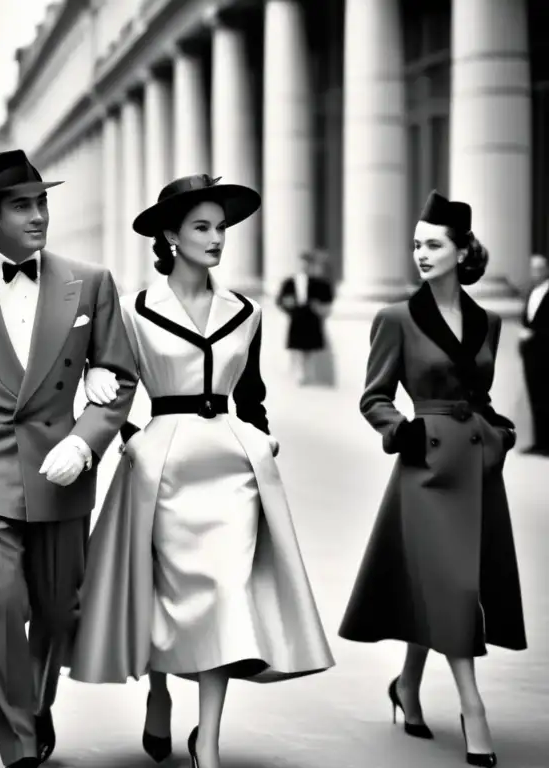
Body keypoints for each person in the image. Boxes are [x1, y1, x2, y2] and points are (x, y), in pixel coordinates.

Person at [69, 174, 334, 768]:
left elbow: (255, 394)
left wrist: (262, 440)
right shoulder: (133, 310)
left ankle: (207, 744)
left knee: (224, 594)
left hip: (234, 470)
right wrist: (131, 441)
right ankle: (159, 692)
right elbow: (111, 391)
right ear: (170, 235)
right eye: (202, 227)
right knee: (161, 592)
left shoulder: (247, 311)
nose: (218, 238)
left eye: (222, 228)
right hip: (159, 469)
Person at [0, 149, 138, 768]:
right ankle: (17, 741)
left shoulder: (90, 282)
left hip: (63, 467)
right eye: (22, 206)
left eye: (42, 202)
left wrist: (85, 439)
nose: (39, 215)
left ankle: (36, 705)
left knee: (57, 608)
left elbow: (119, 377)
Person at [339, 190, 526, 768]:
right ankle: (475, 709)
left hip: (475, 472)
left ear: (462, 249)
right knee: (452, 590)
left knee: (447, 588)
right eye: (416, 244)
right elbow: (374, 399)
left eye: (433, 244)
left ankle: (406, 687)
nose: (420, 253)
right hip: (424, 472)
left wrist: (499, 431)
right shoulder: (395, 318)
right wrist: (405, 431)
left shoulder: (489, 320)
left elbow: (483, 396)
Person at [276, 251, 335, 386]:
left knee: (310, 347)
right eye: (302, 264)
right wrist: (288, 307)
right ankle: (299, 373)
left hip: (311, 318)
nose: (304, 266)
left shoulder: (319, 282)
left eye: (307, 264)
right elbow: (280, 300)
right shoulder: (289, 282)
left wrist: (319, 308)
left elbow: (327, 299)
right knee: (296, 347)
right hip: (296, 317)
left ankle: (308, 373)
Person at [519, 253, 549, 455]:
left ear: (547, 270)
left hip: (546, 353)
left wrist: (534, 333)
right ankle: (539, 442)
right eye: (532, 269)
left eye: (539, 268)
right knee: (535, 399)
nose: (535, 272)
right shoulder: (531, 292)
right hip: (531, 355)